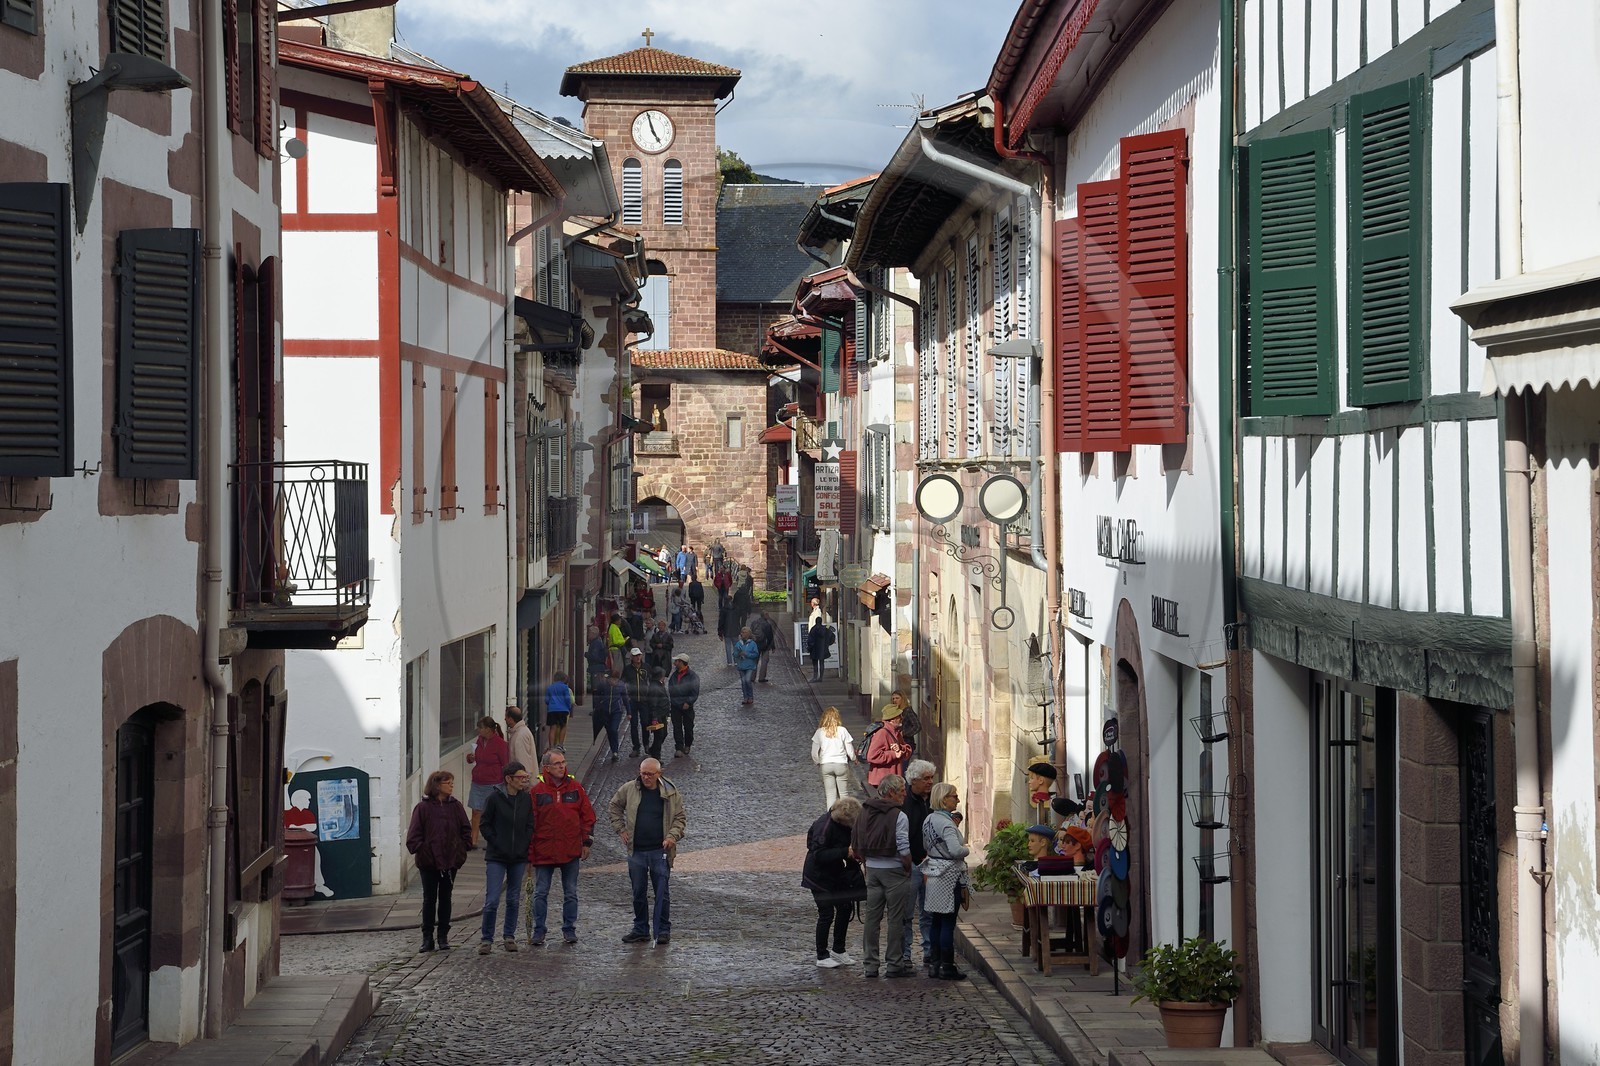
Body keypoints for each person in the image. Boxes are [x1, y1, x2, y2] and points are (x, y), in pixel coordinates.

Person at [609, 758, 686, 945]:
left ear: (659, 774)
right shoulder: (629, 789)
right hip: (637, 852)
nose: (646, 777)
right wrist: (621, 829)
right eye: (643, 773)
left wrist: (672, 837)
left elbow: (679, 818)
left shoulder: (670, 792)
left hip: (660, 850)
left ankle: (663, 930)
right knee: (638, 892)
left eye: (650, 774)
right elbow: (614, 806)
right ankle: (641, 928)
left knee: (662, 892)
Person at [524, 749, 596, 947]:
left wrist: (586, 842)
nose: (561, 766)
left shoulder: (575, 789)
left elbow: (587, 817)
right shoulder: (536, 792)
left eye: (563, 762)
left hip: (570, 849)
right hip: (544, 849)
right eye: (557, 764)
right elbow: (530, 823)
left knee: (570, 892)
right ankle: (539, 930)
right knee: (540, 892)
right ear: (546, 767)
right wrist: (529, 852)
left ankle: (569, 929)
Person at [852, 774, 914, 978]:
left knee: (872, 918)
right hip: (894, 870)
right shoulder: (899, 815)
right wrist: (907, 867)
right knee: (896, 919)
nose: (905, 794)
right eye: (901, 790)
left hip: (872, 869)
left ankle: (870, 965)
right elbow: (903, 846)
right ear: (890, 793)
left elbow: (856, 837)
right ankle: (894, 964)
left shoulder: (865, 811)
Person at [405, 770, 470, 952]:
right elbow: (414, 836)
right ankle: (427, 938)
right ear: (436, 785)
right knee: (429, 899)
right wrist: (424, 850)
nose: (451, 785)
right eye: (447, 783)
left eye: (452, 782)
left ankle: (443, 936)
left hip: (450, 861)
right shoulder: (423, 808)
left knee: (445, 898)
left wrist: (461, 850)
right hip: (429, 863)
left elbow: (465, 830)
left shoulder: (455, 806)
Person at [802, 795, 866, 968]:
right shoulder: (825, 827)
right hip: (818, 877)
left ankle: (839, 949)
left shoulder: (841, 824)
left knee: (845, 908)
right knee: (826, 913)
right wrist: (845, 851)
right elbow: (818, 854)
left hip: (834, 873)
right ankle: (822, 955)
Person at [477, 761, 533, 954]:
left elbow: (529, 825)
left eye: (525, 777)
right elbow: (484, 825)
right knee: (492, 899)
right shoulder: (494, 798)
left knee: (513, 899)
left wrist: (524, 844)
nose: (524, 781)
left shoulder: (526, 799)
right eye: (520, 777)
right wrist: (495, 841)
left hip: (518, 857)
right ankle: (486, 939)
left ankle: (509, 936)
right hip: (497, 856)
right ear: (509, 779)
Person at [920, 782, 971, 980]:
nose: (957, 799)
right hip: (949, 875)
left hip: (934, 872)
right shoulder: (947, 824)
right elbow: (956, 851)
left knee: (936, 921)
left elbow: (925, 844)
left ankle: (935, 965)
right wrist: (967, 849)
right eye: (954, 796)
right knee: (948, 922)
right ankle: (947, 967)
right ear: (944, 800)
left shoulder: (929, 819)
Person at [901, 759, 938, 973]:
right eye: (926, 779)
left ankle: (928, 950)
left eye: (931, 778)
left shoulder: (933, 800)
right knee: (906, 913)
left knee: (929, 910)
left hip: (931, 862)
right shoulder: (903, 801)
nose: (930, 782)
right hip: (911, 864)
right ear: (913, 780)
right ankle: (905, 954)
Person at [465, 716, 509, 849]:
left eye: (481, 728)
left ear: (489, 729)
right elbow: (473, 758)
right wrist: (470, 758)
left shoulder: (500, 744)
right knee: (475, 810)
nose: (479, 730)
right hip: (478, 781)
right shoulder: (479, 741)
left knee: (492, 813)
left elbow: (505, 764)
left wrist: (505, 782)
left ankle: (493, 840)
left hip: (493, 782)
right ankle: (473, 840)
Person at [810, 707, 856, 808]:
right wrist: (854, 759)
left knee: (830, 795)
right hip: (841, 764)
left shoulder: (819, 732)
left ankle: (829, 818)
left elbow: (814, 752)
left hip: (826, 764)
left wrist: (818, 762)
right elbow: (850, 750)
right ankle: (846, 817)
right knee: (844, 794)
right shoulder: (842, 730)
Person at [864, 702, 913, 788]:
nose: (902, 718)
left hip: (893, 780)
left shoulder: (896, 732)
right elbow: (871, 756)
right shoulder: (882, 733)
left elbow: (907, 751)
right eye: (899, 716)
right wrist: (893, 754)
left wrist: (900, 748)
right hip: (883, 781)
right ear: (893, 719)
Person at [665, 653, 699, 758]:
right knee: (677, 727)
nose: (675, 663)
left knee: (688, 727)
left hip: (687, 706)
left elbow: (695, 692)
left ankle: (688, 744)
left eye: (677, 661)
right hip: (676, 706)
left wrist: (688, 702)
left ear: (682, 662)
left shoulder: (692, 676)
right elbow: (671, 688)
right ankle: (679, 747)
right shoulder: (674, 676)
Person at [622, 647, 653, 757]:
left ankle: (646, 744)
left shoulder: (646, 667)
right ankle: (636, 747)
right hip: (633, 700)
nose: (638, 658)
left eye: (639, 655)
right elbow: (623, 683)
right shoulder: (627, 669)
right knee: (633, 724)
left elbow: (651, 681)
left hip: (644, 700)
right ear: (631, 657)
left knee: (645, 723)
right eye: (635, 656)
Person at [599, 669, 629, 763]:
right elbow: (598, 696)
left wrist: (629, 712)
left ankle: (615, 751)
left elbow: (625, 699)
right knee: (609, 731)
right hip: (605, 712)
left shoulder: (621, 685)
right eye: (612, 679)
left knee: (614, 729)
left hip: (617, 711)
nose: (613, 682)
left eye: (615, 680)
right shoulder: (604, 685)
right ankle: (613, 750)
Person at [544, 671, 574, 750]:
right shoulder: (564, 687)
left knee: (552, 728)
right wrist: (569, 708)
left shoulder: (550, 687)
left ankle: (551, 746)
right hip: (563, 710)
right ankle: (560, 745)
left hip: (552, 710)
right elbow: (568, 699)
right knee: (563, 726)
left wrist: (550, 704)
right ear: (564, 679)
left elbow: (546, 700)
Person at [505, 705, 536, 774]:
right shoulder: (521, 731)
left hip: (523, 781)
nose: (504, 719)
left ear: (510, 719)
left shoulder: (520, 736)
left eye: (506, 717)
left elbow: (523, 761)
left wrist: (523, 779)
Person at [734, 626, 760, 705]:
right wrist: (738, 654)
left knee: (747, 681)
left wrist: (746, 654)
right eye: (742, 632)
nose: (742, 634)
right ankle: (745, 697)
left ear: (748, 634)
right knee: (743, 682)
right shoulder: (738, 644)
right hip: (741, 665)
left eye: (744, 632)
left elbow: (756, 654)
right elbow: (734, 654)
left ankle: (750, 697)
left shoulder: (752, 644)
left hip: (749, 666)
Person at [584, 625, 609, 707]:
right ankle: (596, 707)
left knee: (596, 689)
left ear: (593, 634)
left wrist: (586, 654)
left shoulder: (596, 643)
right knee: (596, 689)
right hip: (597, 668)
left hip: (597, 669)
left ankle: (597, 707)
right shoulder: (597, 642)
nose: (588, 636)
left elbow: (595, 657)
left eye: (589, 634)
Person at [806, 615, 835, 682]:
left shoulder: (813, 629)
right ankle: (821, 677)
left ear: (816, 622)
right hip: (823, 649)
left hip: (815, 650)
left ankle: (815, 677)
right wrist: (828, 644)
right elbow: (832, 636)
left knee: (815, 664)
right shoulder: (825, 629)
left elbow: (810, 640)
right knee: (822, 663)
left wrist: (809, 648)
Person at [751, 609, 777, 683]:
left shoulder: (754, 623)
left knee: (754, 661)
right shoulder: (767, 625)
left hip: (755, 644)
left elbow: (751, 633)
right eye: (767, 614)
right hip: (765, 645)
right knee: (764, 662)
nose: (768, 616)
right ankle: (761, 677)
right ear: (765, 615)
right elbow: (770, 637)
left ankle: (752, 677)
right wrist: (773, 647)